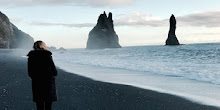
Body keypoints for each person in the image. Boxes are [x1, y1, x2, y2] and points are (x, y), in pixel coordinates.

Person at [27, 41, 58, 110]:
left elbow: (30, 71)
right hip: (48, 82)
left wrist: (34, 77)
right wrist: (54, 74)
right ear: (42, 46)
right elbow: (54, 70)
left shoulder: (31, 56)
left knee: (39, 104)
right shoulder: (47, 54)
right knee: (48, 104)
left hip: (37, 82)